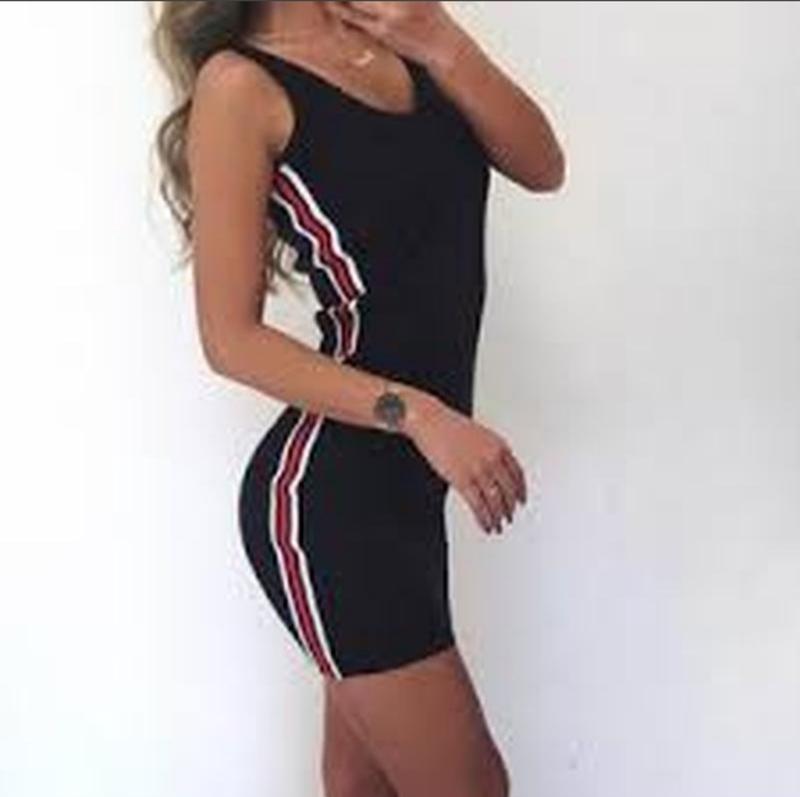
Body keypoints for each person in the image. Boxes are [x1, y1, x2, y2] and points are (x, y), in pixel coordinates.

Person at [149, 1, 565, 794]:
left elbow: (543, 164)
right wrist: (421, 415)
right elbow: (229, 338)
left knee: (359, 787)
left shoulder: (406, 35)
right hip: (329, 503)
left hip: (407, 495)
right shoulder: (240, 86)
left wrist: (443, 41)